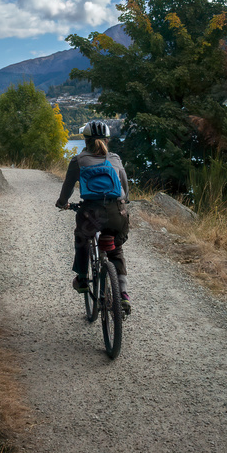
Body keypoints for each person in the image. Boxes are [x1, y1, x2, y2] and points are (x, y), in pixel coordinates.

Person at [55, 120, 131, 312]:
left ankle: (81, 278)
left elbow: (68, 186)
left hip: (91, 214)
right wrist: (124, 203)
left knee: (82, 238)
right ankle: (122, 294)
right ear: (107, 140)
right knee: (116, 249)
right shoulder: (115, 158)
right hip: (117, 213)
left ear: (85, 140)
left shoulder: (78, 160)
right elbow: (124, 186)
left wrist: (62, 202)